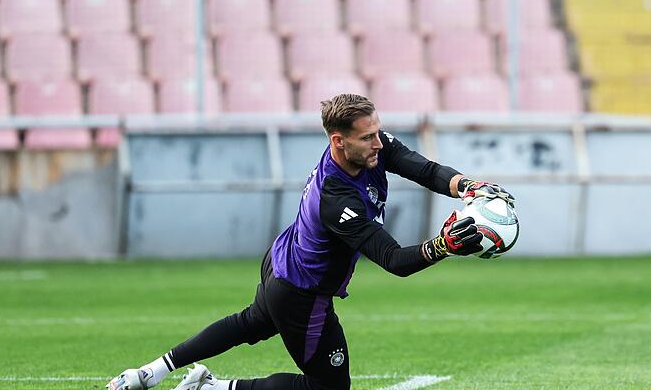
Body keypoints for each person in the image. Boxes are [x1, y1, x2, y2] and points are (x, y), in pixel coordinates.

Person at [107, 94, 514, 390]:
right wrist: (442, 245)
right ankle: (214, 389)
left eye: (378, 132)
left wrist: (467, 186)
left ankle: (150, 373)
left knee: (248, 323)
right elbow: (393, 259)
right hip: (302, 292)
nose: (379, 143)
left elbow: (422, 169)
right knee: (328, 389)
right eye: (368, 137)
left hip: (283, 261)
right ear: (339, 141)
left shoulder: (370, 149)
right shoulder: (337, 199)